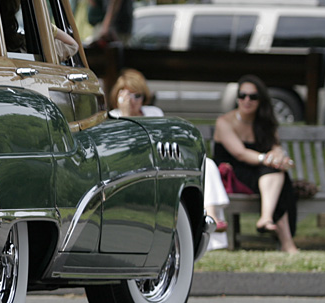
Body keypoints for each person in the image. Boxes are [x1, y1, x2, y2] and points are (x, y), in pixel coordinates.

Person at [107, 69, 229, 250]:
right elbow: (127, 148)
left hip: (161, 161)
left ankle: (211, 217)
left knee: (207, 164)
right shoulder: (113, 117)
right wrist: (126, 115)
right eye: (128, 95)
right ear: (118, 96)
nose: (133, 101)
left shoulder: (152, 112)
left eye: (138, 96)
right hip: (137, 168)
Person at [213, 74, 299, 253]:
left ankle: (268, 221)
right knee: (276, 176)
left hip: (261, 173)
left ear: (261, 100)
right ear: (237, 98)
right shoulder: (224, 122)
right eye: (242, 95)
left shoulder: (265, 123)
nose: (246, 100)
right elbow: (240, 153)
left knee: (279, 176)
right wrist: (266, 159)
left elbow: (276, 146)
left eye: (253, 96)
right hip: (232, 174)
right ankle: (286, 242)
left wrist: (278, 155)